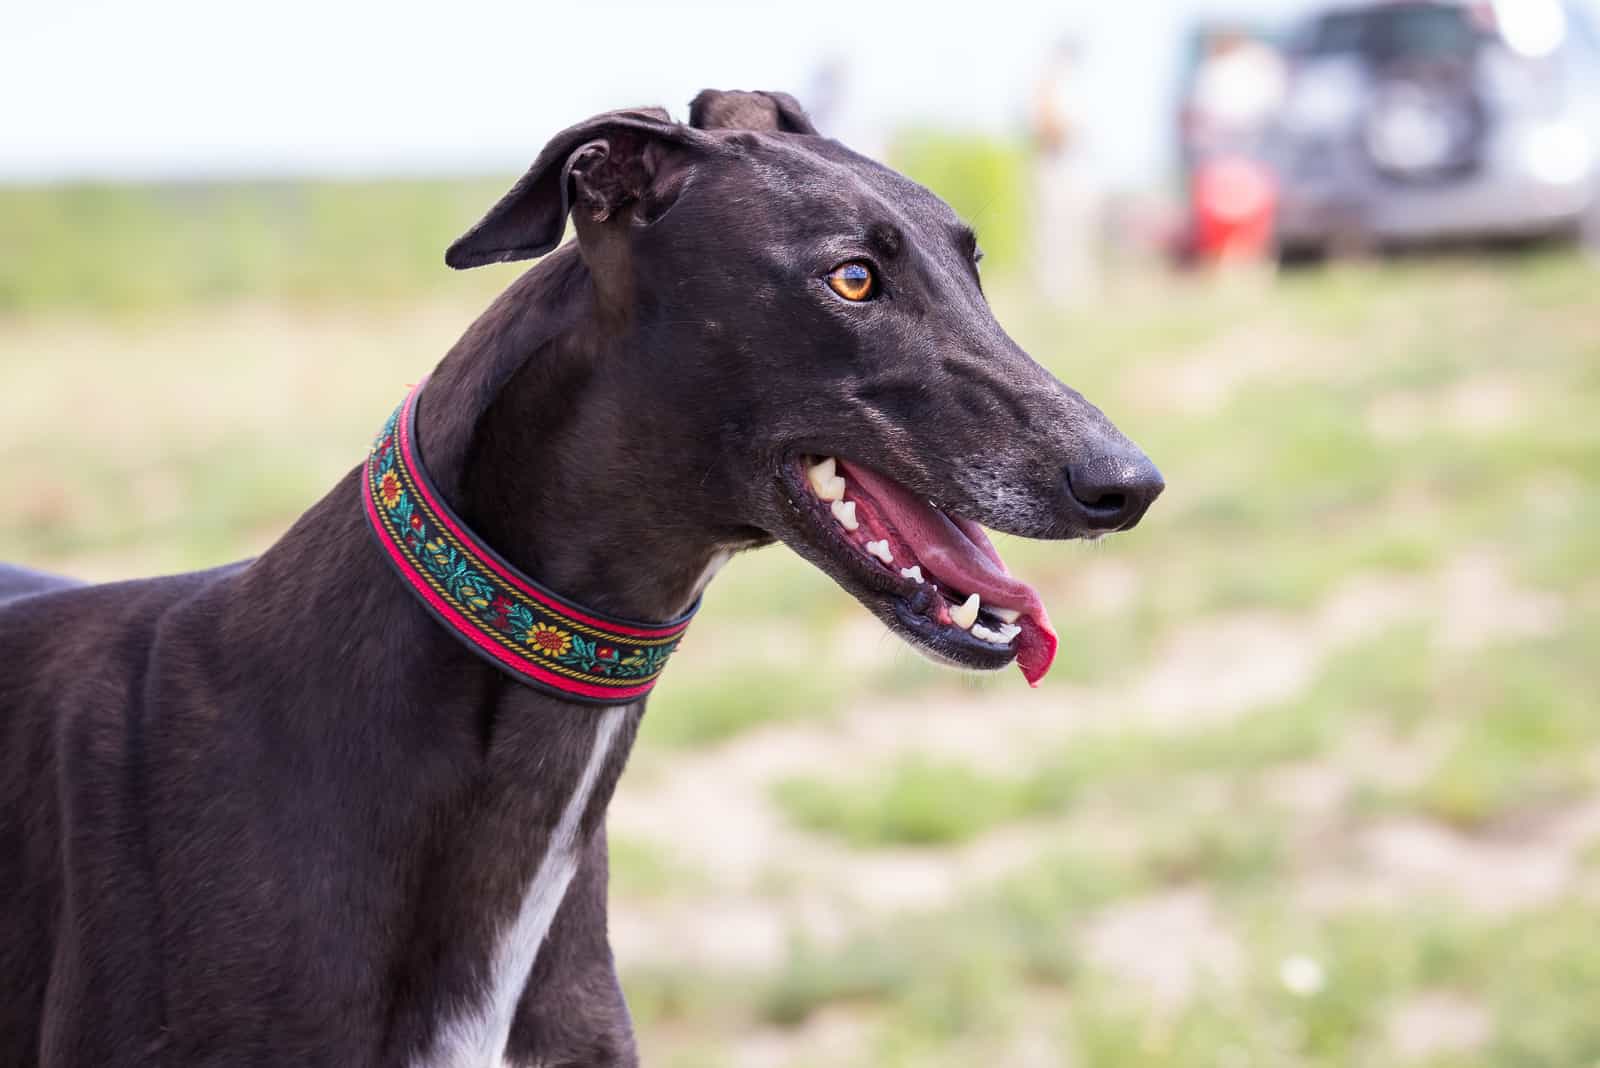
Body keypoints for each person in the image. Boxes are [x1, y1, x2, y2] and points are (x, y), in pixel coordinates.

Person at [1030, 36, 1101, 304]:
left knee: (1079, 228)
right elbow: (1046, 123)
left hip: (1077, 164)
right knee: (1054, 233)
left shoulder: (1076, 83)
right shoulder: (1050, 81)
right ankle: (1055, 293)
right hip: (1056, 162)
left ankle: (1077, 291)